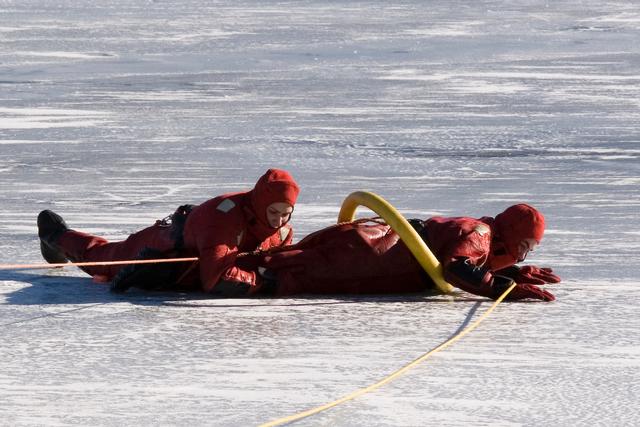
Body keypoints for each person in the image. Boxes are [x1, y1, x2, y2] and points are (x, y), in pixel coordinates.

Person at [36, 168, 300, 296]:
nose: (278, 221)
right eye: (272, 212)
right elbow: (216, 279)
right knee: (103, 259)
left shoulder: (283, 231)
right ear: (260, 203)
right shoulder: (224, 219)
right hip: (163, 246)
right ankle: (55, 235)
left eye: (284, 214)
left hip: (188, 268)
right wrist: (264, 282)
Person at [252, 204, 561, 301]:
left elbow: (467, 261)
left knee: (295, 262)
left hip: (379, 247)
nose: (524, 256)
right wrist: (505, 288)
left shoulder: (483, 233)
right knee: (293, 269)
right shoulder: (481, 233)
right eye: (525, 247)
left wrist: (512, 273)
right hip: (377, 253)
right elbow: (456, 267)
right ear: (511, 237)